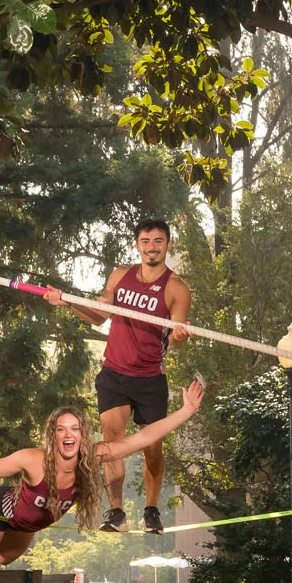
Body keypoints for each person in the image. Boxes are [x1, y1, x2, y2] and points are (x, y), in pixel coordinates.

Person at [0, 378, 206, 583]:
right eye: (61, 429)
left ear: (82, 434)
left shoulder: (94, 456)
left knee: (4, 558)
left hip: (28, 524)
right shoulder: (33, 459)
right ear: (53, 435)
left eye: (75, 428)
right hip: (1, 510)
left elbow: (142, 438)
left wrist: (186, 411)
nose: (69, 434)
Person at [45, 217, 192, 534]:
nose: (151, 247)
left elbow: (177, 341)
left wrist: (180, 336)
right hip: (114, 373)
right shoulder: (120, 276)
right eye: (145, 241)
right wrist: (66, 301)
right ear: (137, 245)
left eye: (158, 241)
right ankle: (116, 512)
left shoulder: (176, 288)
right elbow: (98, 316)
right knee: (112, 442)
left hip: (150, 377)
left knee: (153, 448)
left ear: (168, 245)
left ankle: (151, 510)